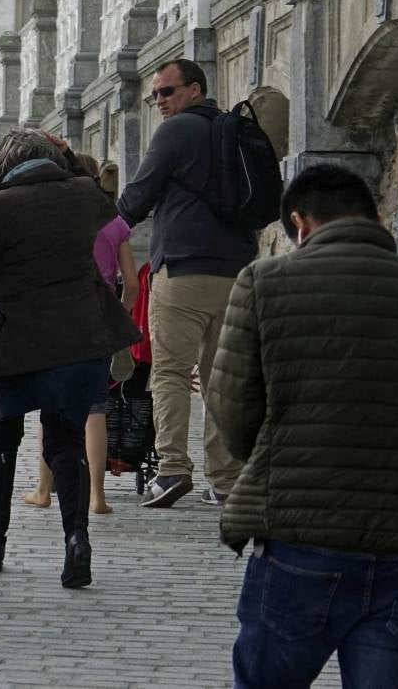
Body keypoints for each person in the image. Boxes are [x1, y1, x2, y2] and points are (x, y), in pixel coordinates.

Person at [204, 165, 398, 688]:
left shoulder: (266, 281)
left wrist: (279, 458)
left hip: (298, 543)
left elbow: (231, 410)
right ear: (375, 217)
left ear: (299, 224)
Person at [0, 131, 138, 588]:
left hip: (18, 344)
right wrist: (67, 156)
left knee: (1, 439)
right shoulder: (85, 194)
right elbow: (94, 189)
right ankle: (76, 540)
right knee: (66, 441)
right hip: (81, 339)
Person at [117, 58, 254, 508]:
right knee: (222, 376)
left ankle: (173, 468)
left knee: (170, 371)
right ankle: (226, 479)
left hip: (183, 269)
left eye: (166, 92)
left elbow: (136, 198)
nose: (159, 102)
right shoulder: (234, 129)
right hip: (237, 271)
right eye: (155, 95)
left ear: (195, 90)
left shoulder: (176, 131)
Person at [22, 153, 138, 515]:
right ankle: (97, 497)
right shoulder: (114, 221)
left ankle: (44, 488)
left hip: (57, 319)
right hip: (99, 319)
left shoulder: (53, 217)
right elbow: (131, 283)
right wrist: (119, 315)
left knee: (50, 407)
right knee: (96, 410)